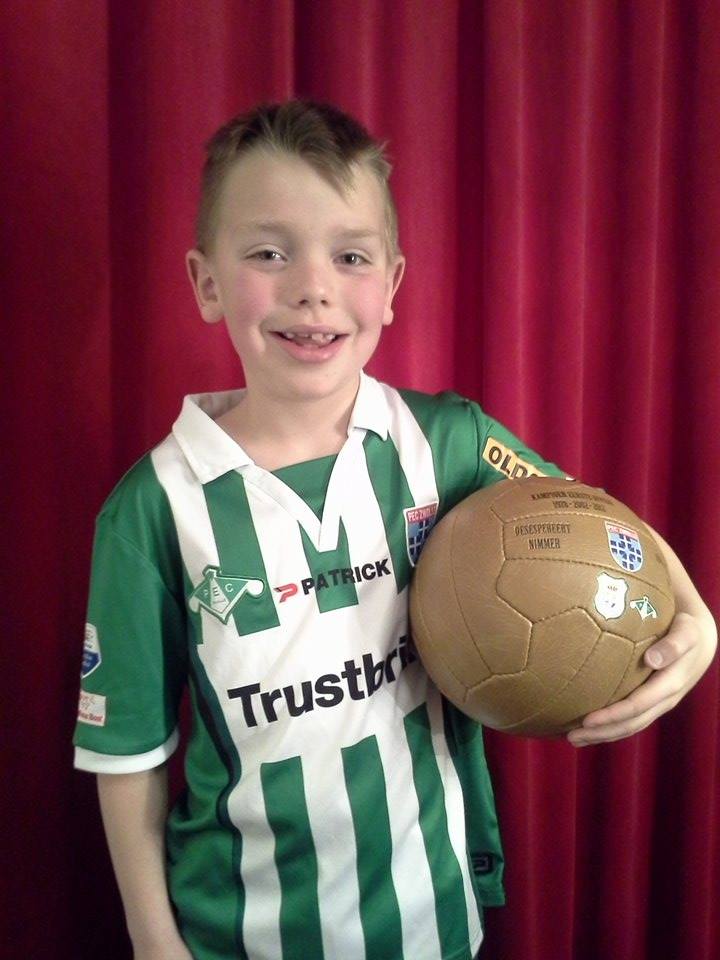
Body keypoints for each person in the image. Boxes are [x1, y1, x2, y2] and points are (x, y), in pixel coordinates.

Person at [73, 100, 717, 960]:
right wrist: (155, 943)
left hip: (433, 919)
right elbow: (128, 756)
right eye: (269, 253)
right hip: (237, 935)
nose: (313, 287)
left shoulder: (447, 441)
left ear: (391, 287)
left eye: (350, 256)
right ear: (206, 283)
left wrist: (696, 619)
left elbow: (596, 521)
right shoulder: (153, 508)